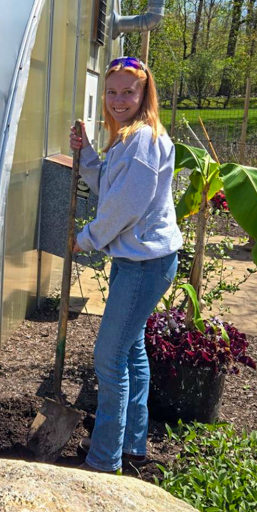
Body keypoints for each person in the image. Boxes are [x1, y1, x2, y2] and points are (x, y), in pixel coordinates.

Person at [70, 56, 181, 474]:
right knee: (131, 351)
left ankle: (104, 460)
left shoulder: (144, 140)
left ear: (144, 94)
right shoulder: (127, 138)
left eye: (128, 92)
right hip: (136, 260)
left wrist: (86, 238)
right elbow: (109, 187)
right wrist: (86, 153)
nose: (118, 99)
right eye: (112, 92)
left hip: (144, 264)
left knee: (109, 357)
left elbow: (125, 207)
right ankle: (132, 447)